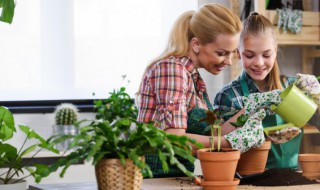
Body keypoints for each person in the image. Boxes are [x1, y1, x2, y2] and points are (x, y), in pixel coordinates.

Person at [135, 3, 243, 177]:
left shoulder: (194, 79)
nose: (229, 61)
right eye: (222, 53)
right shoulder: (171, 70)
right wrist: (227, 143)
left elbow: (215, 132)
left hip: (177, 177)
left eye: (232, 53)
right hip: (155, 178)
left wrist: (251, 110)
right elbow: (175, 140)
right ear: (196, 44)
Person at [214, 12, 309, 170]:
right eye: (250, 55)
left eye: (266, 55)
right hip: (247, 180)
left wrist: (316, 98)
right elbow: (215, 142)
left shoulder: (293, 87)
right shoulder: (229, 96)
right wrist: (249, 108)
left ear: (275, 50)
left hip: (291, 179)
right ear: (238, 53)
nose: (259, 63)